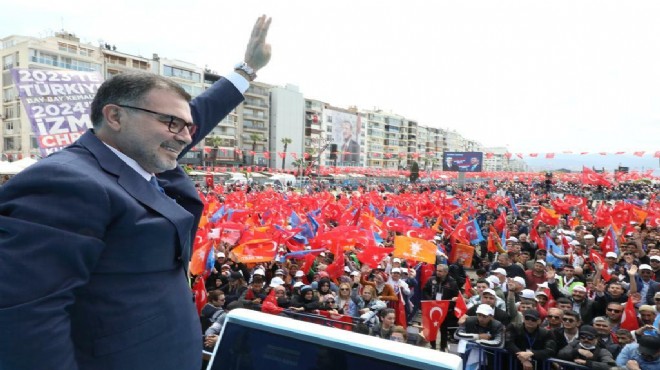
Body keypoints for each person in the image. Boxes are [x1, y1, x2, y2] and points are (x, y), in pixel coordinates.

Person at [0, 15, 272, 370]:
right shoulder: (66, 183)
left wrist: (247, 70)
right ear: (115, 116)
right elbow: (24, 319)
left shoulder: (137, 156)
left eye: (188, 127)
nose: (186, 136)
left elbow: (193, 115)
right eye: (172, 123)